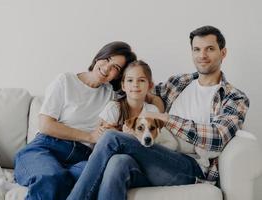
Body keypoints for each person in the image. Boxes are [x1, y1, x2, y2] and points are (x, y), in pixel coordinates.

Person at [66, 25, 250, 200]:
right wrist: (114, 120)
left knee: (112, 138)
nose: (202, 55)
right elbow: (141, 90)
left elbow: (217, 138)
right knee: (118, 163)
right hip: (154, 158)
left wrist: (164, 118)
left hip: (190, 166)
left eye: (209, 49)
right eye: (196, 49)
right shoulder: (179, 83)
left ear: (223, 52)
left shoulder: (234, 98)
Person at [13, 41, 137, 200]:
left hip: (82, 158)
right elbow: (45, 125)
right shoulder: (65, 80)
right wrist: (90, 136)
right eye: (107, 59)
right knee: (51, 179)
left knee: (101, 178)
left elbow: (142, 90)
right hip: (46, 147)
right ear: (99, 56)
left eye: (116, 68)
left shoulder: (112, 96)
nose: (107, 68)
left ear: (119, 76)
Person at [98, 59, 160, 136]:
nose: (135, 84)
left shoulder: (152, 111)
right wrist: (119, 134)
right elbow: (104, 140)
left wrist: (131, 136)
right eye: (130, 80)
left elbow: (154, 141)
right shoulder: (113, 108)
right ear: (123, 86)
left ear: (150, 86)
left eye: (141, 80)